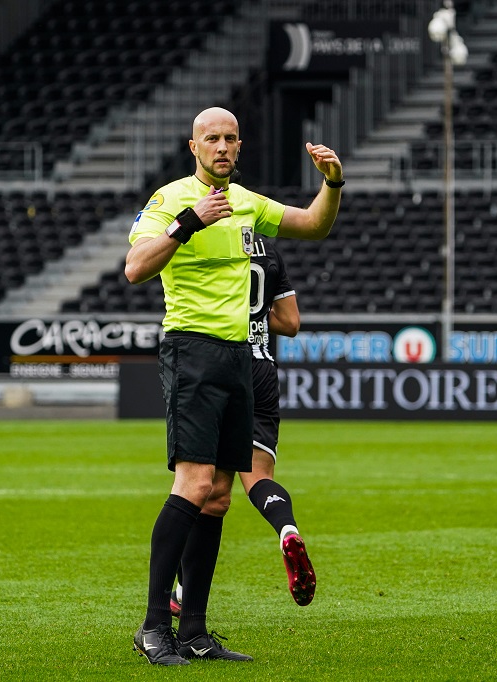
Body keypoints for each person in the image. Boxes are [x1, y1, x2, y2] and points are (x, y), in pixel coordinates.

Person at [124, 106, 343, 666]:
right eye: (211, 138)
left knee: (219, 498)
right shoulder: (170, 199)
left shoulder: (247, 202)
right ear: (192, 146)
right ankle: (154, 627)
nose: (222, 146)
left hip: (240, 358)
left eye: (230, 138)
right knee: (193, 485)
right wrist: (188, 222)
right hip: (192, 350)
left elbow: (313, 225)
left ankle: (194, 631)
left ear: (240, 146)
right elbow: (134, 267)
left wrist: (333, 183)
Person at [170, 235, 316, 616]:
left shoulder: (211, 240)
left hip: (220, 362)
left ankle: (179, 594)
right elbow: (291, 322)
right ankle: (286, 528)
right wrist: (258, 315)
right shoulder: (269, 250)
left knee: (202, 489)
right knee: (251, 478)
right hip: (262, 367)